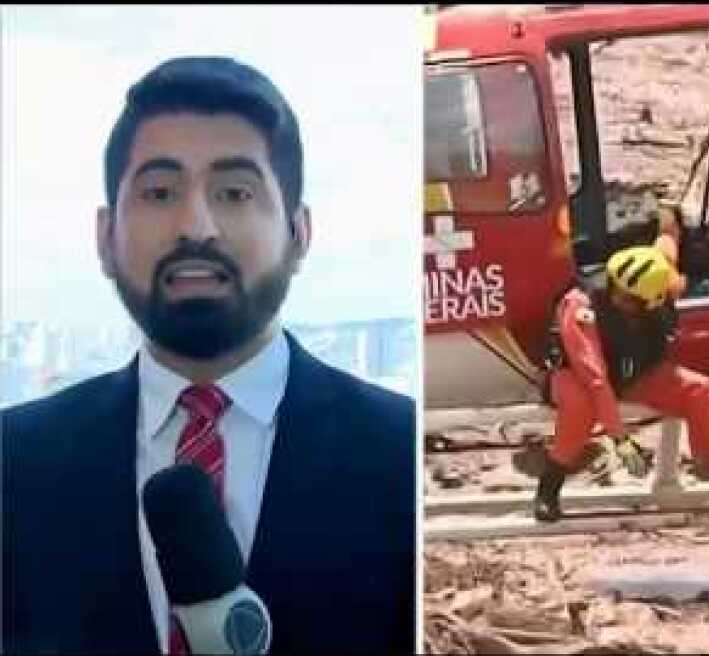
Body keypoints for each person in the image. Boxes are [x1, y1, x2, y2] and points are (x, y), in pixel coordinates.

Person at [2, 57, 415, 654]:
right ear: (104, 238)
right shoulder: (15, 466)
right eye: (160, 192)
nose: (196, 226)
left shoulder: (396, 457)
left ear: (299, 235)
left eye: (234, 192)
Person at [536, 245, 709, 521]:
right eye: (617, 290)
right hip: (575, 377)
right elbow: (594, 376)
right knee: (581, 406)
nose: (618, 299)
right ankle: (548, 491)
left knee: (702, 390)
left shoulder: (661, 296)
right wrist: (621, 439)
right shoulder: (580, 306)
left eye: (628, 299)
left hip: (635, 374)